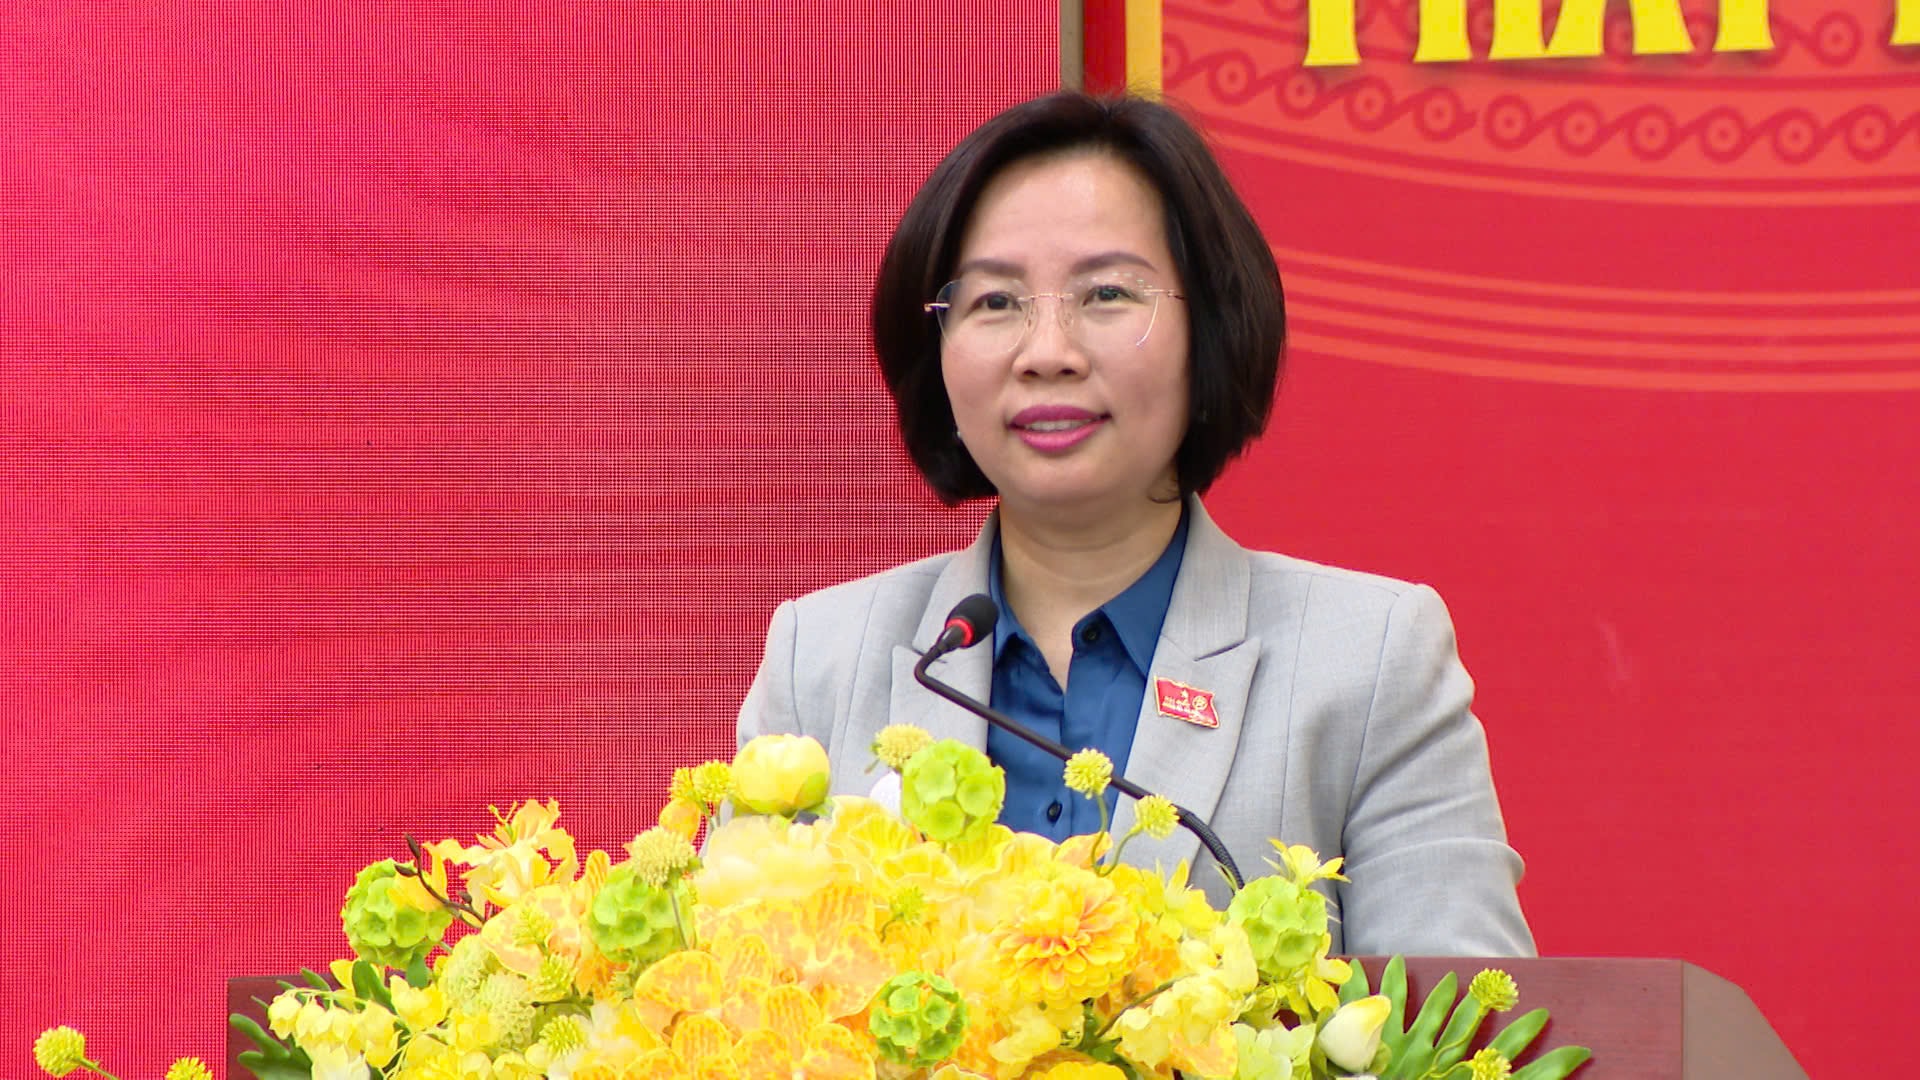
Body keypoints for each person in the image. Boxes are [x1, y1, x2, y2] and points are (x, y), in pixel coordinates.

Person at [736, 91, 1534, 957]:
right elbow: (726, 990)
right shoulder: (822, 661)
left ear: (1210, 329)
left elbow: (1461, 1019)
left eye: (1107, 293)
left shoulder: (1369, 660)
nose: (1048, 352)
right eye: (995, 302)